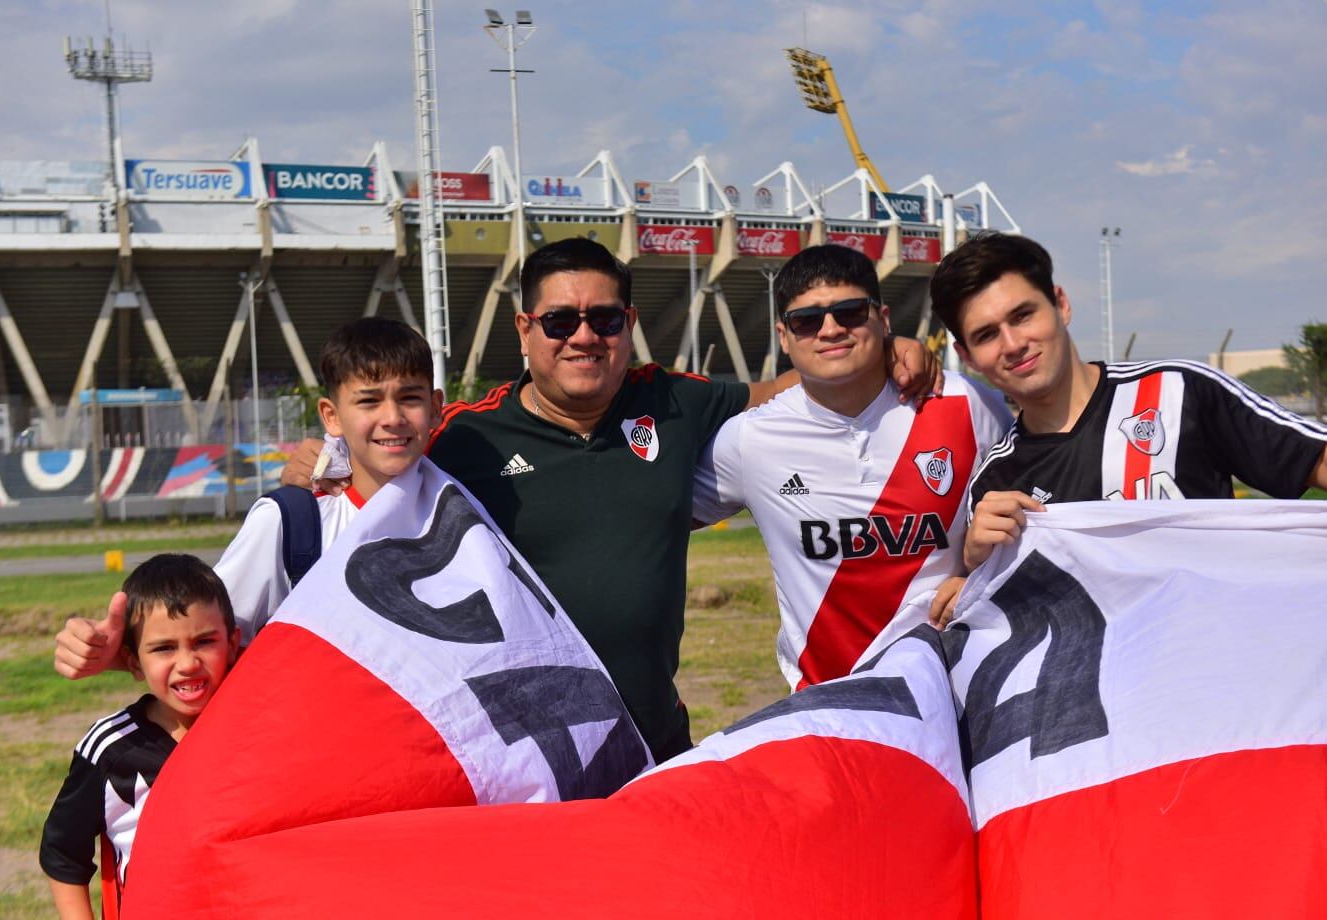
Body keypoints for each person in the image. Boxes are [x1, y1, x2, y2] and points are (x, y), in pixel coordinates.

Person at [276, 237, 939, 761]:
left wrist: (887, 346)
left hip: (653, 737)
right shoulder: (468, 435)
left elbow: (790, 388)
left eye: (605, 319)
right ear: (524, 330)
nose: (584, 336)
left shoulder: (674, 400)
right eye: (561, 320)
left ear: (629, 323)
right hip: (530, 750)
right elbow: (382, 454)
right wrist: (324, 457)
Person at [927, 231, 1327, 592]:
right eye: (986, 335)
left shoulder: (1179, 390)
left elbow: (1315, 460)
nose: (1013, 343)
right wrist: (976, 568)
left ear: (1061, 304)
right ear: (967, 357)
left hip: (1223, 657)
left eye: (1022, 315)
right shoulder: (995, 485)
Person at [692, 244, 1011, 689]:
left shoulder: (970, 405)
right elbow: (656, 523)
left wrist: (982, 582)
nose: (830, 330)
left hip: (959, 689)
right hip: (833, 705)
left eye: (849, 313)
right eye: (807, 320)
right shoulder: (749, 440)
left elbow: (1039, 517)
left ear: (881, 320)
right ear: (784, 337)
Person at [53, 317, 442, 667]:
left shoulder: (468, 509)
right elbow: (205, 641)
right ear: (331, 416)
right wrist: (111, 656)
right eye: (369, 400)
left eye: (409, 397)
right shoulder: (293, 522)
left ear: (436, 406)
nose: (392, 418)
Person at [40, 554, 240, 919]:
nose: (188, 662)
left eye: (204, 641)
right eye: (164, 648)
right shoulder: (111, 747)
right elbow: (63, 853)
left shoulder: (255, 728)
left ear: (233, 643)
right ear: (133, 661)